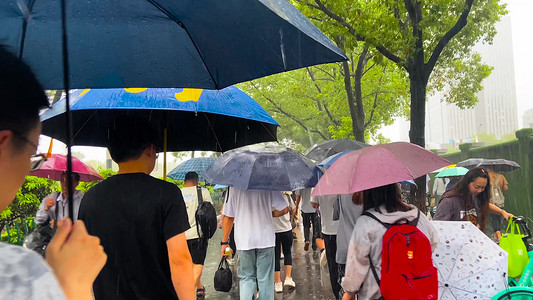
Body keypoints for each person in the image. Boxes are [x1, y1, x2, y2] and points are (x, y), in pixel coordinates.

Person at [0, 45, 106, 300]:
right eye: (31, 154)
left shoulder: (83, 200)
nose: (27, 168)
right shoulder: (19, 275)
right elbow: (39, 221)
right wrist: (73, 289)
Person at [78, 116, 194, 300]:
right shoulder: (167, 193)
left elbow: (82, 262)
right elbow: (179, 260)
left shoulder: (90, 198)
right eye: (156, 151)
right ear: (150, 149)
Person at [341, 184, 439, 300]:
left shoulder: (366, 222)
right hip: (416, 292)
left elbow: (356, 265)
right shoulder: (417, 216)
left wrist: (349, 291)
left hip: (377, 294)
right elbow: (433, 242)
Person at [221, 187, 289, 300]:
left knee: (246, 278)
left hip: (244, 240)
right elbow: (284, 209)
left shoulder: (234, 186)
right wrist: (268, 213)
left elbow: (229, 217)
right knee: (265, 280)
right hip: (265, 239)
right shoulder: (268, 182)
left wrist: (224, 242)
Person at [433, 167, 512, 231]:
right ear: (467, 183)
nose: (480, 190)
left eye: (483, 188)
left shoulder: (474, 196)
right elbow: (437, 226)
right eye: (476, 187)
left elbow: (485, 205)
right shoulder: (449, 201)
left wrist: (502, 212)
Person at [182, 171, 212, 299]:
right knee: (198, 263)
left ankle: (199, 287)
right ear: (197, 181)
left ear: (184, 182)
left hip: (181, 235)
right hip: (198, 234)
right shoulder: (203, 192)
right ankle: (186, 294)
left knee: (189, 265)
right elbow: (209, 212)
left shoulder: (177, 192)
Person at [311, 193, 341, 299]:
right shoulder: (344, 180)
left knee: (333, 265)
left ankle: (338, 294)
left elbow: (313, 203)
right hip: (344, 228)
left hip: (328, 230)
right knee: (345, 263)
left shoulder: (320, 182)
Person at [334, 193, 363, 299]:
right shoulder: (371, 190)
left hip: (345, 247)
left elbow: (336, 213)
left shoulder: (342, 190)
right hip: (364, 249)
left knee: (346, 292)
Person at [273, 191, 297, 293]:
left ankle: (278, 283)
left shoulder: (269, 196)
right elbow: (294, 209)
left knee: (276, 256)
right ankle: (288, 278)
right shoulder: (286, 196)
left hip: (273, 230)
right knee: (287, 253)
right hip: (286, 229)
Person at [488, 169, 509, 242]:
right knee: (499, 216)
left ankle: (498, 235)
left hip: (491, 200)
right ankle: (497, 234)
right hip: (500, 200)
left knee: (494, 218)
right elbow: (505, 188)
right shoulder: (501, 176)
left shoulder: (486, 177)